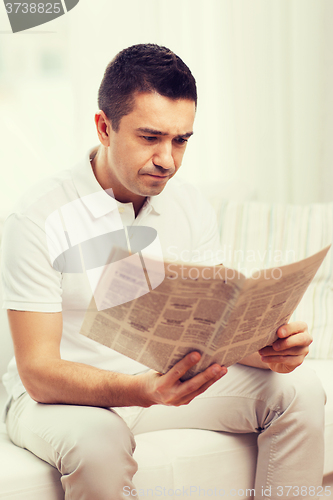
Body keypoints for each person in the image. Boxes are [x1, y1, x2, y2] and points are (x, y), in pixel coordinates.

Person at [1, 43, 325, 500]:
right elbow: (37, 371)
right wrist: (144, 390)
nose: (167, 160)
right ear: (104, 128)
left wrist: (270, 348)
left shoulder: (188, 204)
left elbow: (210, 337)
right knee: (99, 444)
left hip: (159, 382)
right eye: (150, 138)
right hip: (59, 399)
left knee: (301, 391)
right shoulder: (37, 217)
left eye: (181, 140)